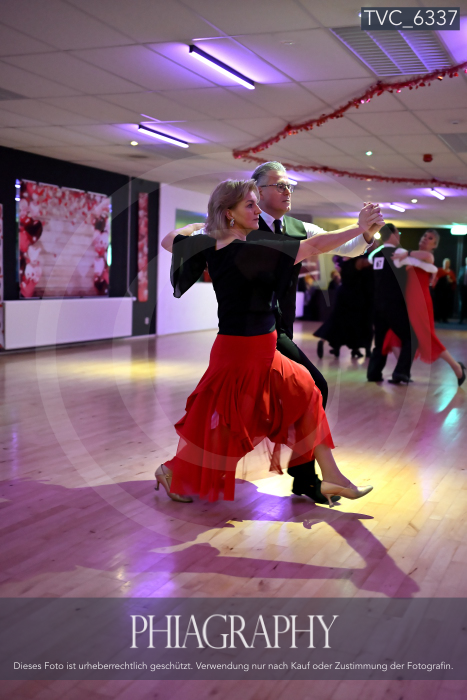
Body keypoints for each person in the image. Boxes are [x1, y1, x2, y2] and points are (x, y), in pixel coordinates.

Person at [156, 180, 383, 504]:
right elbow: (315, 246)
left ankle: (331, 477)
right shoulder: (249, 250)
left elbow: (169, 240)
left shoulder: (210, 243)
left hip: (263, 349)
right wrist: (358, 227)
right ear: (229, 213)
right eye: (249, 205)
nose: (257, 210)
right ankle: (170, 470)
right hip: (241, 354)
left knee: (308, 393)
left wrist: (197, 227)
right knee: (231, 428)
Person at [247, 161, 378, 503]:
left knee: (253, 407)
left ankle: (306, 477)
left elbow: (347, 248)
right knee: (312, 388)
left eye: (289, 185)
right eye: (279, 185)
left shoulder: (299, 227)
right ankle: (307, 477)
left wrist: (366, 233)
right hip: (253, 328)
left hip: (281, 325)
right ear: (258, 191)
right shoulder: (243, 225)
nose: (287, 191)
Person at [382, 230, 465, 386]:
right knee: (393, 336)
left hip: (420, 302)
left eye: (430, 238)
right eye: (424, 236)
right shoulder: (412, 257)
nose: (426, 239)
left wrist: (407, 254)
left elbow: (427, 258)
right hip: (407, 302)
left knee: (427, 338)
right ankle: (402, 371)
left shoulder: (427, 256)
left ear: (435, 245)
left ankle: (457, 368)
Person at [367, 223, 418, 384]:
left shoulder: (375, 254)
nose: (399, 236)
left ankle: (373, 373)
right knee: (411, 338)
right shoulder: (400, 253)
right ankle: (400, 372)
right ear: (394, 234)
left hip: (377, 305)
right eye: (398, 233)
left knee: (380, 341)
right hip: (395, 305)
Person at [315, 255, 373, 359]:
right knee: (355, 322)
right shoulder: (358, 262)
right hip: (354, 296)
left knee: (336, 320)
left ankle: (324, 341)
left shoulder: (342, 261)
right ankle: (356, 349)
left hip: (341, 294)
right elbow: (371, 262)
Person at [433, 257, 456, 323]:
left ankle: (444, 318)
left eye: (448, 263)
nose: (446, 264)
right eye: (445, 263)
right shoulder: (439, 270)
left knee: (446, 304)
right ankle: (437, 317)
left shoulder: (451, 272)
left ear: (449, 264)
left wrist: (451, 280)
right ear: (443, 263)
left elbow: (454, 281)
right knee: (438, 304)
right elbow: (435, 279)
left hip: (447, 291)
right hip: (439, 291)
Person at [459, 256, 467, 323]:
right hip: (463, 288)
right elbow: (459, 278)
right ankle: (461, 319)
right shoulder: (462, 269)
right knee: (462, 304)